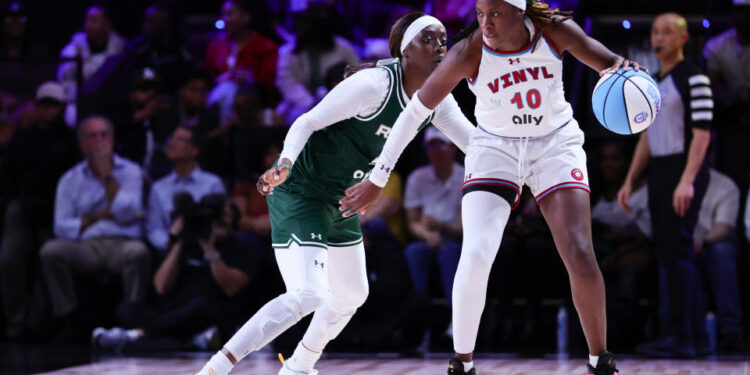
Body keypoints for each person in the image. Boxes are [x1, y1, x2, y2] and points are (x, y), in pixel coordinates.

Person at [340, 0, 644, 373]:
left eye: (495, 14)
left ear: (520, 12)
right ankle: (463, 362)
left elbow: (609, 63)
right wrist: (378, 177)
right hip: (495, 148)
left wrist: (624, 70)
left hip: (555, 145)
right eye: (480, 14)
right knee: (478, 252)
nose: (486, 23)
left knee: (579, 252)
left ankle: (599, 360)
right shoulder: (468, 51)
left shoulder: (553, 30)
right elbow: (416, 111)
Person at [196, 12, 475, 375]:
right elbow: (306, 121)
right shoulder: (373, 85)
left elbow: (476, 144)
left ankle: (298, 367)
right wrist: (283, 163)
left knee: (352, 295)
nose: (440, 46)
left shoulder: (438, 97)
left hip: (340, 202)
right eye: (429, 39)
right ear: (405, 51)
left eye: (443, 39)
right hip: (302, 190)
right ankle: (215, 369)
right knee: (308, 294)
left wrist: (528, 164)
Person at [619, 13, 713, 358]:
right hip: (659, 169)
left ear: (683, 39)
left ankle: (683, 336)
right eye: (656, 32)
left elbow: (702, 135)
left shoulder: (695, 78)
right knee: (670, 254)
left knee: (679, 253)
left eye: (667, 32)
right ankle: (693, 337)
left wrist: (687, 181)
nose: (659, 38)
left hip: (683, 168)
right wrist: (630, 179)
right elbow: (647, 134)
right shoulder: (653, 82)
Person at [38, 116, 150, 342]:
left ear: (113, 139)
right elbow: (61, 226)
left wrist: (107, 175)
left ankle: (132, 321)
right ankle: (68, 318)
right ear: (81, 144)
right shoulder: (70, 179)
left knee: (138, 253)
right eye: (92, 135)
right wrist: (98, 216)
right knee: (50, 251)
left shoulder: (130, 171)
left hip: (122, 243)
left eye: (104, 134)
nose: (99, 141)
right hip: (86, 247)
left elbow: (130, 213)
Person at [0, 82, 78, 340]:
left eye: (53, 105)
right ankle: (16, 323)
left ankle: (46, 324)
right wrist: (17, 198)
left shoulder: (70, 141)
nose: (47, 110)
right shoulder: (23, 137)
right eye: (43, 104)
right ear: (36, 106)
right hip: (23, 207)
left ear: (61, 107)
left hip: (56, 211)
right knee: (10, 261)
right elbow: (8, 172)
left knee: (49, 263)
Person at [402, 126, 463, 347]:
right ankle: (418, 313)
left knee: (450, 253)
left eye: (440, 145)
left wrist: (442, 227)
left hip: (455, 239)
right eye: (431, 146)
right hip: (427, 239)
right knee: (413, 252)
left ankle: (454, 318)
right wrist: (427, 234)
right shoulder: (417, 178)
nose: (435, 151)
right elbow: (412, 222)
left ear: (453, 148)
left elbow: (463, 227)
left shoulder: (464, 177)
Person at [275, 2, 360, 124]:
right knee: (300, 119)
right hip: (301, 106)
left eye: (308, 24)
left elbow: (357, 77)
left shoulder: (343, 48)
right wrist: (311, 103)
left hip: (338, 103)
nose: (302, 28)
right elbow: (288, 85)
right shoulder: (288, 52)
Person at [146, 126, 226, 254]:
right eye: (171, 138)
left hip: (208, 249)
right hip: (171, 252)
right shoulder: (158, 187)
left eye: (179, 139)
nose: (171, 143)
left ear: (194, 150)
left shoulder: (212, 183)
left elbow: (222, 222)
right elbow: (154, 229)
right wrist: (170, 242)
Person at [694, 168, 744, 352]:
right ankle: (675, 332)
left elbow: (724, 227)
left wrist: (702, 242)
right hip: (682, 245)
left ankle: (732, 331)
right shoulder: (671, 177)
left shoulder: (724, 185)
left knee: (722, 252)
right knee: (670, 255)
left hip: (710, 243)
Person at [57, 5, 125, 126]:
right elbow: (65, 85)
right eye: (87, 20)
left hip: (111, 104)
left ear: (107, 25)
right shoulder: (72, 51)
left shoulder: (121, 50)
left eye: (94, 21)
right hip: (80, 103)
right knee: (71, 114)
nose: (87, 26)